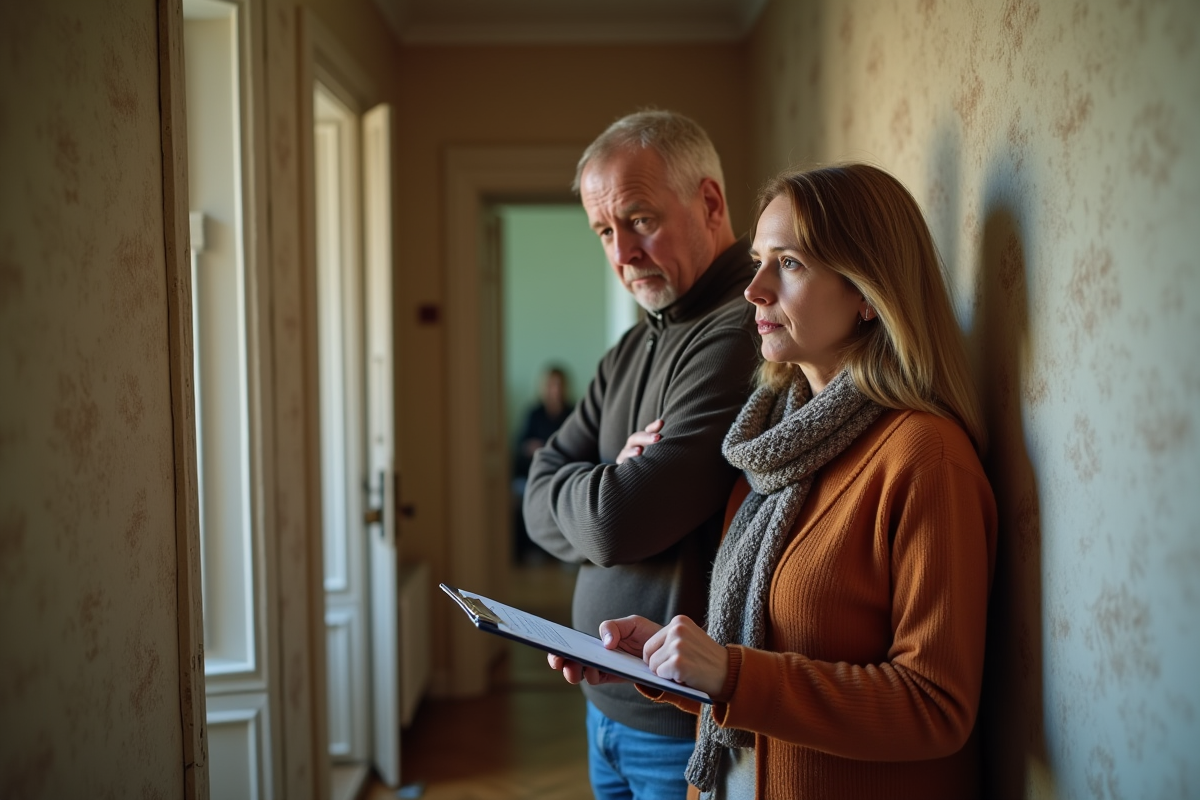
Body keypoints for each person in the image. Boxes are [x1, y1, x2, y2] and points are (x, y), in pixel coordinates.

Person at [551, 163, 999, 799]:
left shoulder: (925, 459)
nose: (754, 290)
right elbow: (753, 678)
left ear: (868, 292)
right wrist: (658, 661)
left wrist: (730, 673)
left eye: (788, 264)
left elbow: (937, 708)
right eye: (759, 260)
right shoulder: (772, 452)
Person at [523, 110, 760, 799]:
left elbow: (614, 523)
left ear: (710, 203)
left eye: (640, 220)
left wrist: (596, 486)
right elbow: (536, 493)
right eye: (604, 230)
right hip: (605, 710)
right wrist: (602, 478)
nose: (622, 252)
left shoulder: (741, 330)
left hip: (678, 728)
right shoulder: (630, 347)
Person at [511, 365, 573, 563]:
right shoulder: (534, 413)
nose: (555, 390)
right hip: (533, 474)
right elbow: (520, 445)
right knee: (521, 494)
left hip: (564, 473)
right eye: (551, 385)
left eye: (559, 385)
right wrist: (532, 448)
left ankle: (566, 551)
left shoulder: (573, 413)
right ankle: (531, 550)